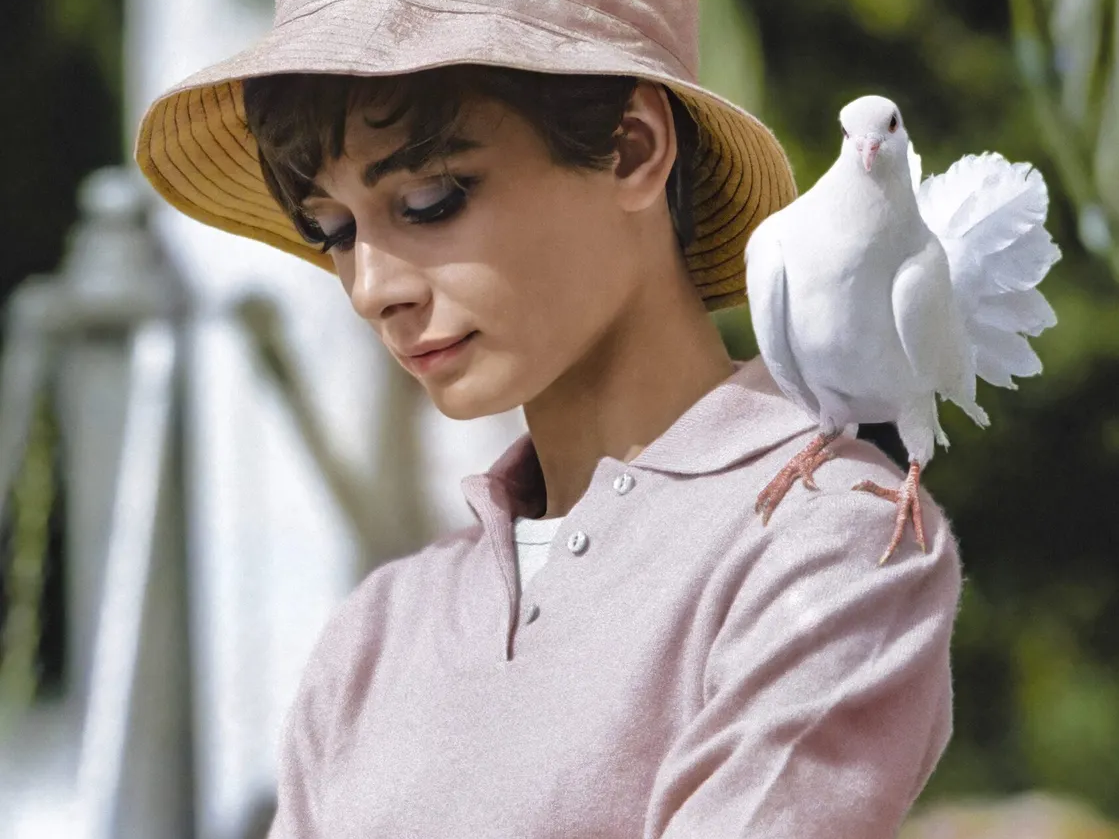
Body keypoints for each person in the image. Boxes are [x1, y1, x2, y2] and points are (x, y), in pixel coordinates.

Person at [135, 1, 962, 836]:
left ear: (629, 148)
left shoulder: (824, 537)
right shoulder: (382, 627)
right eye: (333, 230)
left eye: (429, 199)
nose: (371, 287)